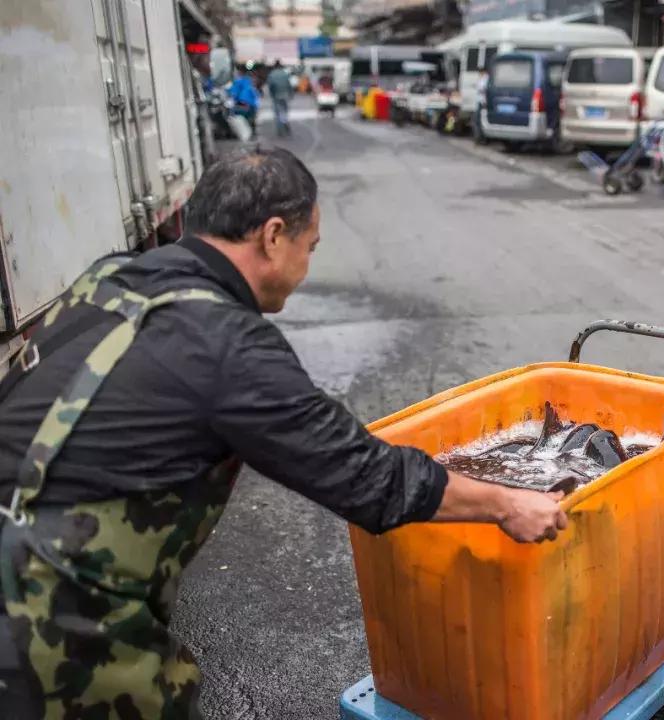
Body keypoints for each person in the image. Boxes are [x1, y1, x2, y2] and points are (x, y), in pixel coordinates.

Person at [0, 148, 567, 718]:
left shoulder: (110, 277)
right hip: (46, 613)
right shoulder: (226, 344)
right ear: (274, 236)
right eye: (310, 247)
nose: (307, 265)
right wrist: (506, 503)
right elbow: (366, 476)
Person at [230, 62, 261, 138]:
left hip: (243, 103)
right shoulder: (249, 81)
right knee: (251, 118)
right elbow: (254, 92)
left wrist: (234, 99)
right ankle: (252, 132)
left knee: (245, 118)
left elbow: (234, 92)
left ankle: (249, 132)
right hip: (250, 103)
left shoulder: (239, 81)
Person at [266, 59, 293, 136]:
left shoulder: (271, 74)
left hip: (276, 96)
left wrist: (272, 94)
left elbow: (270, 86)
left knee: (277, 113)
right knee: (284, 112)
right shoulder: (284, 73)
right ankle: (285, 123)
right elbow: (289, 85)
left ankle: (280, 130)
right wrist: (291, 94)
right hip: (285, 96)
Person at [474, 68, 490, 144]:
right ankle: (478, 137)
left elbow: (484, 89)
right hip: (479, 101)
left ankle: (482, 138)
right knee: (477, 120)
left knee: (480, 120)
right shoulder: (481, 79)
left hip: (483, 102)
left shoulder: (486, 78)